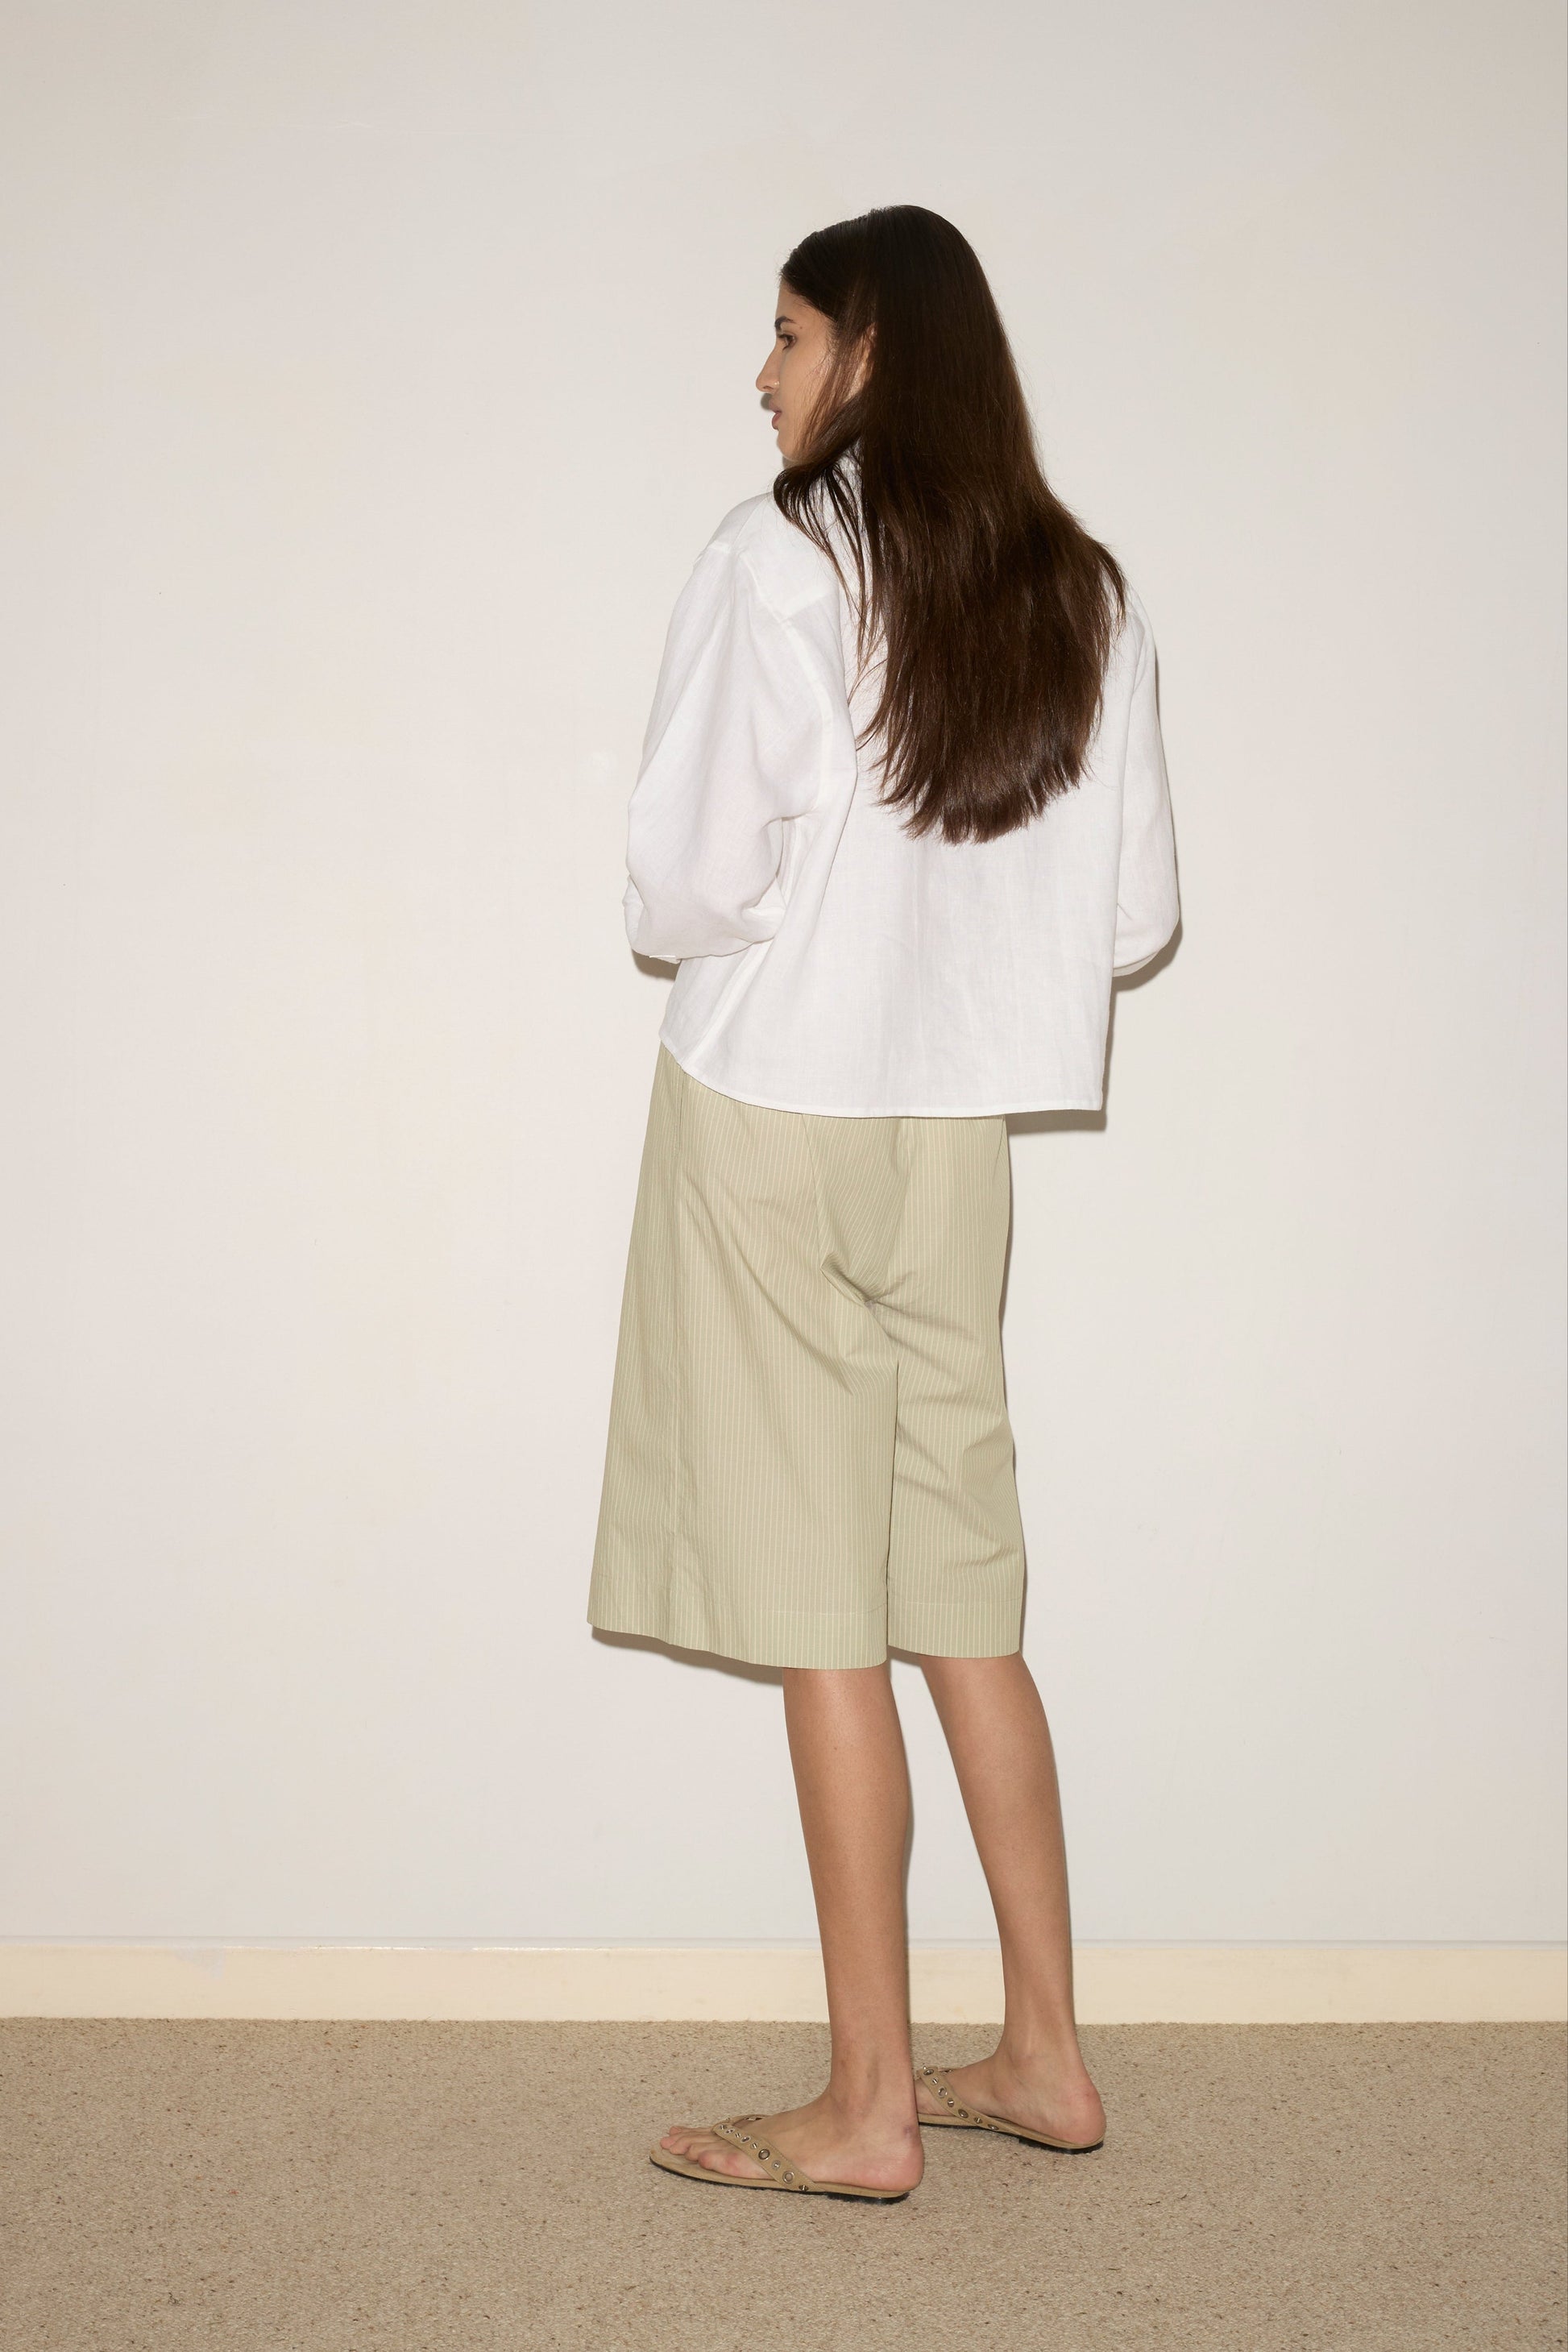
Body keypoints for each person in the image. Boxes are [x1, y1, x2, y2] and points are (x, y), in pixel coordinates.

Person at [587, 205, 1180, 2202]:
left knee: (826, 1610)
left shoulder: (773, 562)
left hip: (773, 1109)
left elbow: (676, 886)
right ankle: (1043, 2051)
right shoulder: (1082, 590)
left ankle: (865, 2104)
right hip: (952, 1136)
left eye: (781, 333)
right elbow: (1139, 915)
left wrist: (806, 917)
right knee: (959, 1594)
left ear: (868, 351)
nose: (758, 374)